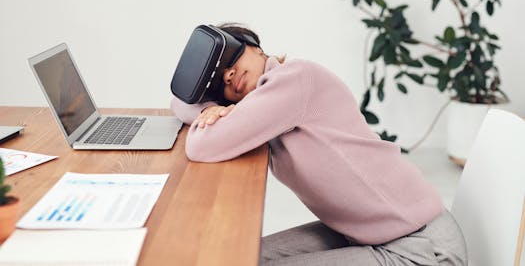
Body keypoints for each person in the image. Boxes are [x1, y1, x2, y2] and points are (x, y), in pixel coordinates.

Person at [170, 23, 467, 265]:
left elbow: (200, 146)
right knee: (236, 258)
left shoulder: (293, 78)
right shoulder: (261, 110)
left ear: (256, 48)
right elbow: (178, 102)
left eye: (231, 60)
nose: (229, 74)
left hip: (423, 250)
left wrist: (208, 114)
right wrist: (207, 109)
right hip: (366, 233)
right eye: (220, 82)